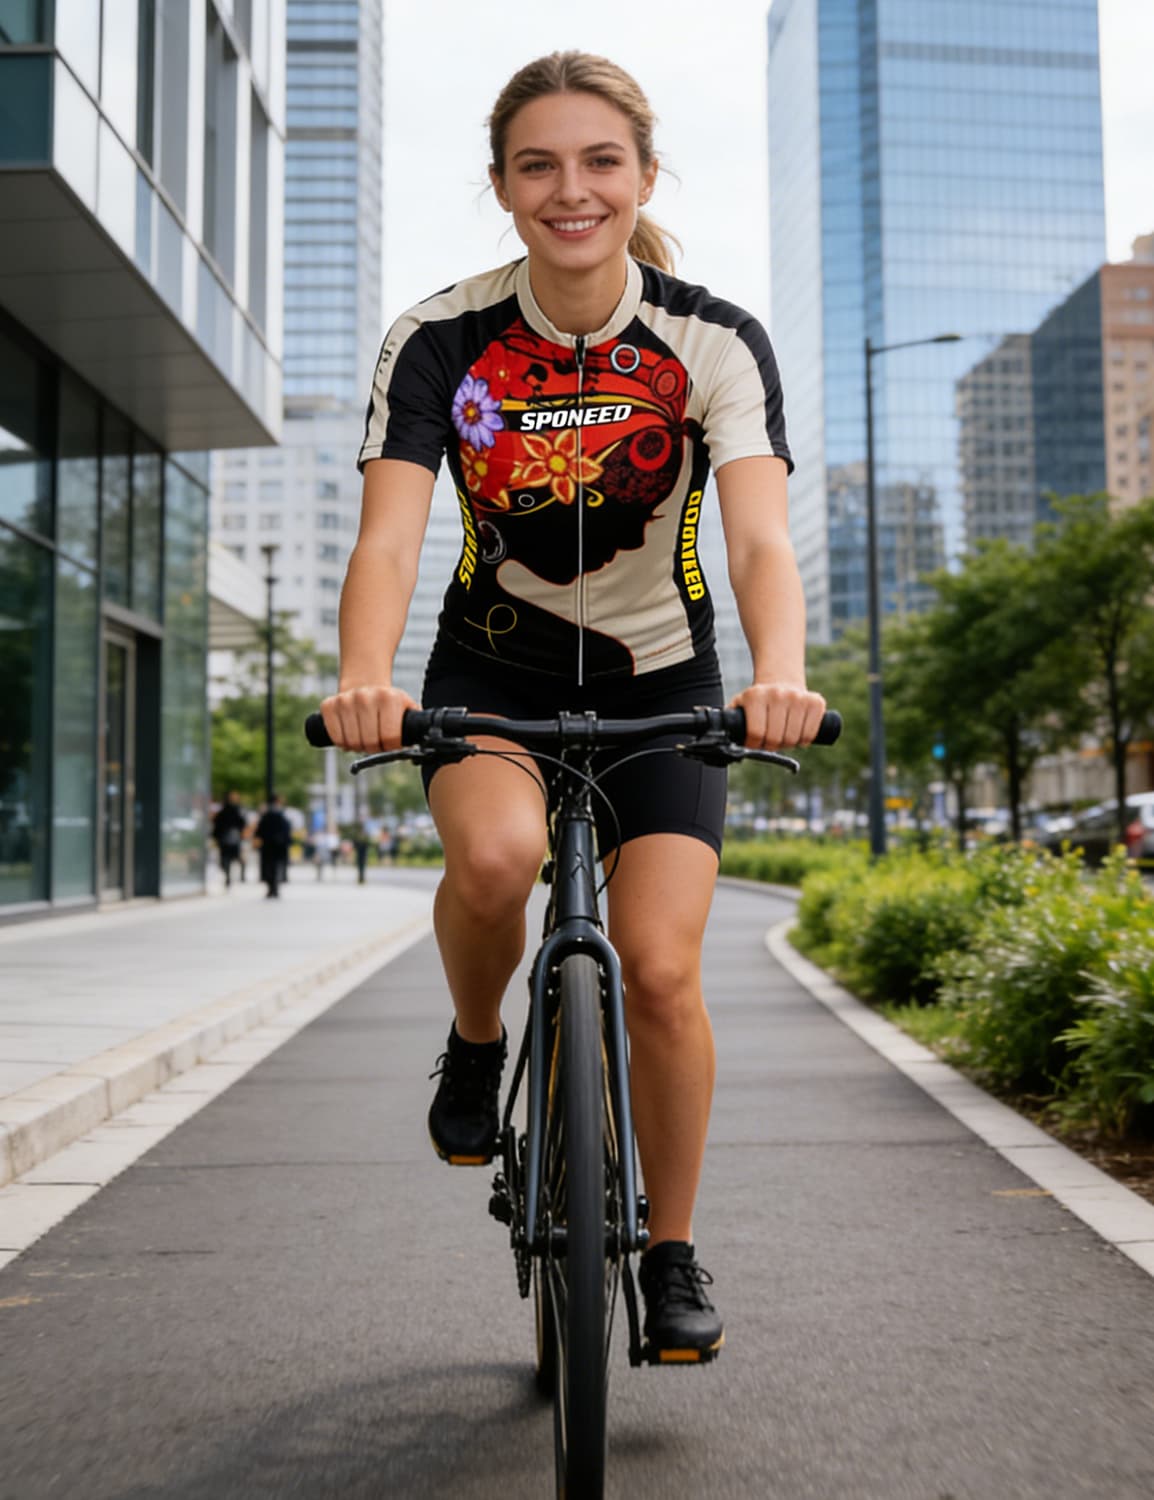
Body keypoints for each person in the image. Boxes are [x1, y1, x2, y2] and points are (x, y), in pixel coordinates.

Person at [319, 51, 827, 1359]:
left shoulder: (711, 339)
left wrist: (777, 672)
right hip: (493, 667)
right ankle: (474, 1040)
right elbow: (389, 537)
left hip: (666, 681)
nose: (571, 189)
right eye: (537, 164)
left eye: (600, 161)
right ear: (500, 185)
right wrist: (365, 678)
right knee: (496, 860)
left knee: (657, 968)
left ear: (643, 176)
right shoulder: (440, 340)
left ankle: (671, 1251)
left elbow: (759, 537)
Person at [254, 794, 292, 899]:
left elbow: (259, 830)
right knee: (276, 866)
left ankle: (271, 887)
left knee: (269, 866)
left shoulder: (266, 814)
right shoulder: (281, 814)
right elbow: (286, 830)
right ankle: (274, 887)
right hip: (278, 845)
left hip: (268, 845)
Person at [211, 790, 247, 888]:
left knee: (227, 858)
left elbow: (216, 825)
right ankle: (236, 876)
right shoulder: (234, 810)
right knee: (232, 858)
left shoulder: (224, 811)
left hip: (227, 838)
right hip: (231, 838)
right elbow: (242, 823)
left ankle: (230, 876)